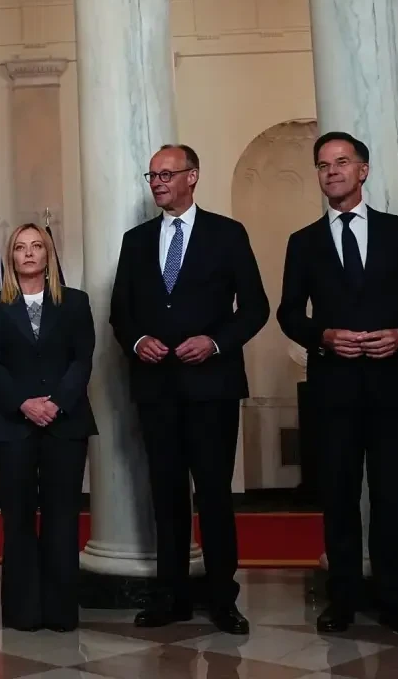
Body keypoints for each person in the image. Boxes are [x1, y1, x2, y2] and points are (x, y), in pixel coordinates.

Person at [278, 131, 398, 639]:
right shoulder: (303, 242)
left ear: (363, 170)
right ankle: (343, 600)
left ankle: (396, 603)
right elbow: (289, 313)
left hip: (395, 387)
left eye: (342, 162)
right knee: (339, 497)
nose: (332, 171)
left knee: (391, 497)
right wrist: (324, 336)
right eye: (323, 165)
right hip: (333, 388)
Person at [110, 144, 268, 634]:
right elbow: (120, 314)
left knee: (215, 495)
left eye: (166, 174)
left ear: (192, 176)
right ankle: (171, 596)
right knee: (167, 494)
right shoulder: (136, 241)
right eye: (152, 176)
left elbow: (256, 308)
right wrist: (138, 341)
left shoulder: (227, 234)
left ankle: (223, 598)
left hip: (212, 388)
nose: (157, 183)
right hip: (157, 389)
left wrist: (215, 343)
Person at [0, 223, 95, 632]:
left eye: (37, 246)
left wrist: (57, 403)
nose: (28, 253)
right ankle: (23, 613)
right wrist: (24, 404)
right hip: (12, 425)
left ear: (48, 255)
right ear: (11, 257)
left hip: (66, 423)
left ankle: (61, 613)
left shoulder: (75, 302)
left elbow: (83, 359)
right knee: (19, 520)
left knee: (63, 518)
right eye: (20, 247)